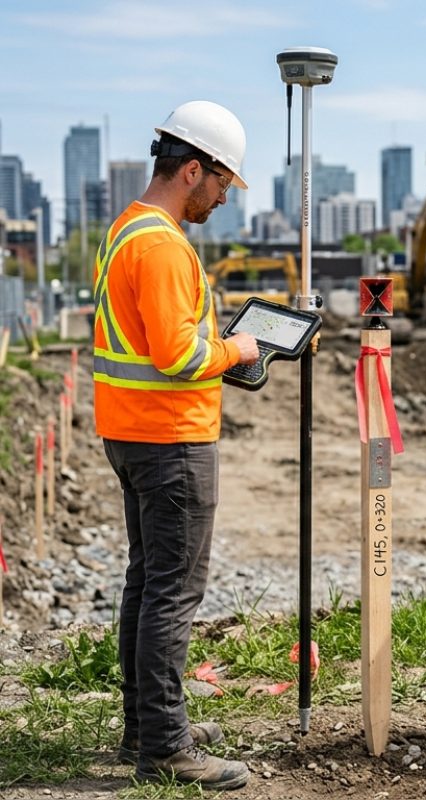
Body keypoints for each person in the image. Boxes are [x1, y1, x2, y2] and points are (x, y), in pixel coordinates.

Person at [93, 101, 259, 791]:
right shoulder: (162, 245)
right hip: (171, 442)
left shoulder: (126, 230)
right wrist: (242, 347)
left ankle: (149, 724)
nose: (223, 197)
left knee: (147, 584)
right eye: (221, 183)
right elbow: (176, 355)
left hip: (130, 434)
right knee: (172, 595)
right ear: (192, 169)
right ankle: (164, 748)